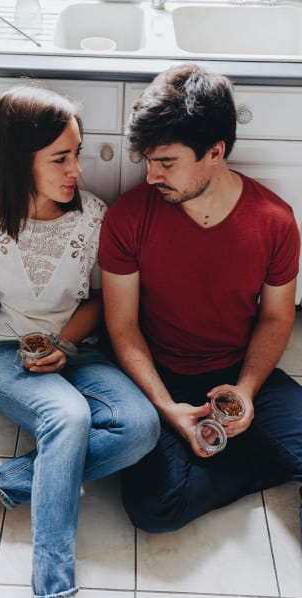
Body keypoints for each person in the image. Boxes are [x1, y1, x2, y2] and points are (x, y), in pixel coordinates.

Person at [0, 83, 160, 598]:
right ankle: (54, 589)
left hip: (79, 349)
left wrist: (66, 345)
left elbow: (104, 300)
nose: (77, 169)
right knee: (68, 417)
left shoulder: (95, 217)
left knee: (141, 427)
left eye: (76, 153)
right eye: (60, 158)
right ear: (20, 160)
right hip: (4, 354)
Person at [99, 64, 302, 536]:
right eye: (147, 160)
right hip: (160, 373)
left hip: (239, 369)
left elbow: (276, 317)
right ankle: (259, 453)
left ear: (215, 151)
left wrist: (247, 392)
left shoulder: (275, 221)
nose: (150, 176)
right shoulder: (129, 217)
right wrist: (165, 406)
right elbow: (122, 326)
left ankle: (245, 441)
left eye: (166, 162)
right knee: (154, 510)